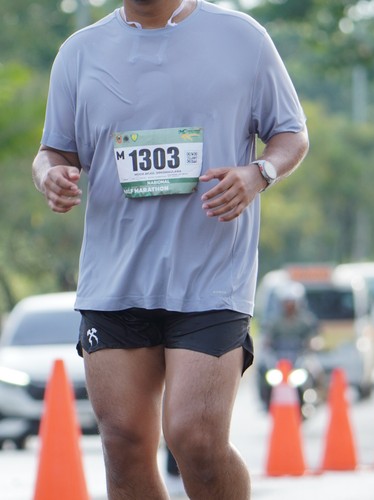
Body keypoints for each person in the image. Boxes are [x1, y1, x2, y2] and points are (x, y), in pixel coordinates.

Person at [32, 0, 308, 499]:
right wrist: (49, 174)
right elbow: (53, 150)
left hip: (211, 277)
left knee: (196, 440)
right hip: (115, 280)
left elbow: (291, 133)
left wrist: (258, 173)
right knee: (123, 443)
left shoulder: (242, 37)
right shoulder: (79, 51)